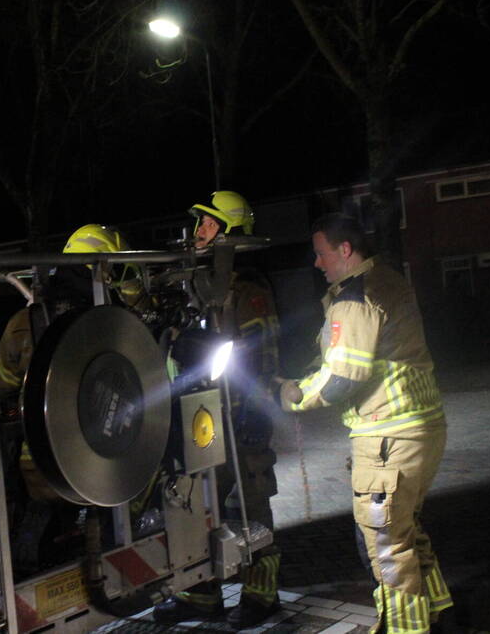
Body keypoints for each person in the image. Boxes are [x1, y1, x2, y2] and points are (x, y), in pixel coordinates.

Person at [279, 213, 452, 634]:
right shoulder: (387, 280)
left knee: (385, 543)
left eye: (321, 253)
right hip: (422, 427)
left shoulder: (354, 298)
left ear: (345, 250)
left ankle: (405, 628)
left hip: (387, 434)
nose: (317, 263)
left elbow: (342, 378)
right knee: (406, 528)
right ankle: (436, 610)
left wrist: (294, 395)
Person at [154, 190, 283, 630]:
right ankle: (200, 595)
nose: (200, 231)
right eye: (200, 223)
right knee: (197, 507)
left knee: (248, 504)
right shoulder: (194, 283)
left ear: (232, 231)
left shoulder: (247, 290)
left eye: (210, 224)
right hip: (200, 416)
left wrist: (257, 411)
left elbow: (264, 352)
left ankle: (262, 595)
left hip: (240, 416)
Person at [0, 224, 143, 574]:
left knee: (38, 549)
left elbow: (2, 386)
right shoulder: (112, 324)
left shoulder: (24, 321)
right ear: (102, 270)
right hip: (105, 465)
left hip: (39, 467)